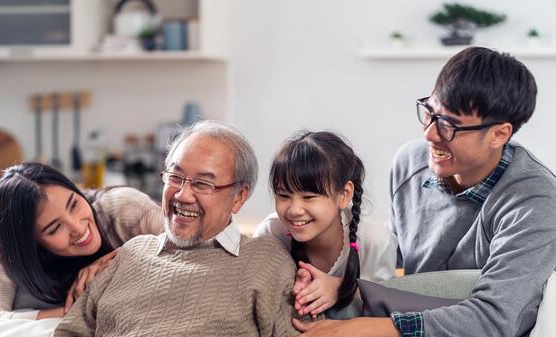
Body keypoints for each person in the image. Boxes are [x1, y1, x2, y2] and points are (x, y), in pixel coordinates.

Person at [294, 47, 556, 336]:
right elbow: (395, 267)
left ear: (499, 134)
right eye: (430, 113)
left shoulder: (536, 201)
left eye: (449, 125)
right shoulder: (410, 163)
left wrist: (362, 329)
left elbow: (495, 318)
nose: (429, 134)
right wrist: (346, 288)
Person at [54, 120, 300, 337]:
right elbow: (70, 332)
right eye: (175, 177)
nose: (182, 195)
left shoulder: (267, 263)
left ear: (239, 197)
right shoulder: (129, 254)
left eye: (203, 184)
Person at [0, 162, 164, 320]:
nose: (78, 228)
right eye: (54, 228)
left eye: (74, 204)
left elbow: (189, 248)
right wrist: (75, 311)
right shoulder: (11, 257)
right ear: (31, 243)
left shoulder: (121, 207)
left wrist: (115, 263)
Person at [253, 130, 396, 318]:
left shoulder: (375, 242)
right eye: (284, 196)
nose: (294, 209)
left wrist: (343, 289)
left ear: (344, 195)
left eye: (309, 197)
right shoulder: (271, 233)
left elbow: (388, 311)